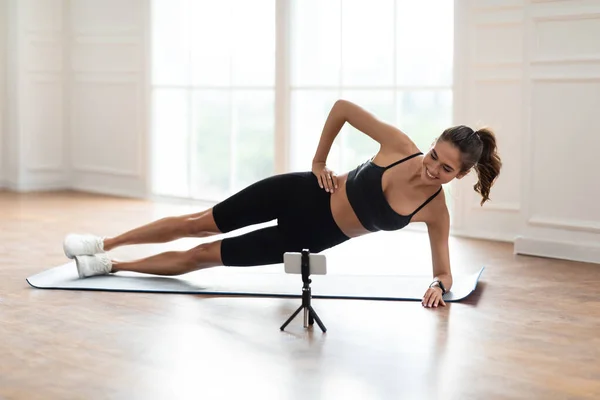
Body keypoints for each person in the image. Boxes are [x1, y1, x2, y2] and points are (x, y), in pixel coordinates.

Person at [63, 99, 502, 308]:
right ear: (429, 146)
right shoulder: (398, 145)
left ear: (461, 175)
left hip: (308, 236)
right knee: (200, 222)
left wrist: (438, 286)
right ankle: (103, 242)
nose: (432, 169)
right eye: (434, 156)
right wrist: (318, 160)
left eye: (446, 169)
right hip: (300, 192)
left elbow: (443, 270)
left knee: (202, 257)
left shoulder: (435, 211)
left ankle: (111, 267)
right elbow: (342, 109)